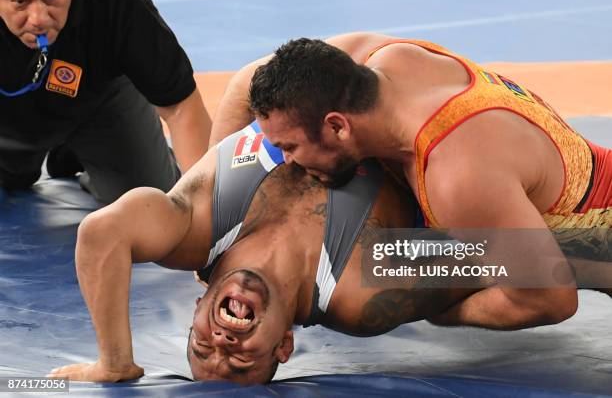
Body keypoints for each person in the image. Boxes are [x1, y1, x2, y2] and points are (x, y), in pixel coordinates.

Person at [47, 123, 611, 384]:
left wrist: (114, 361)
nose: (223, 344)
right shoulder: (359, 287)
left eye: (202, 345)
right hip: (462, 130)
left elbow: (102, 234)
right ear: (285, 346)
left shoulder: (193, 230)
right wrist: (443, 305)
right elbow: (532, 266)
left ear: (198, 305)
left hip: (348, 71)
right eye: (241, 359)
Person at [209, 32, 612, 329]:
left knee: (384, 269)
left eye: (291, 147)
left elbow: (549, 300)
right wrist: (219, 214)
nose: (289, 162)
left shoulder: (456, 176)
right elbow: (244, 84)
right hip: (563, 183)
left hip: (601, 237)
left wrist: (432, 310)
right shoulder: (378, 59)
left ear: (337, 126)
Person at [0, 0, 211, 203]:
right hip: (7, 115)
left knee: (149, 199)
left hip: (100, 98)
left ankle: (83, 151)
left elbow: (180, 105)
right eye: (20, 1)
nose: (38, 20)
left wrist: (206, 206)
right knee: (12, 177)